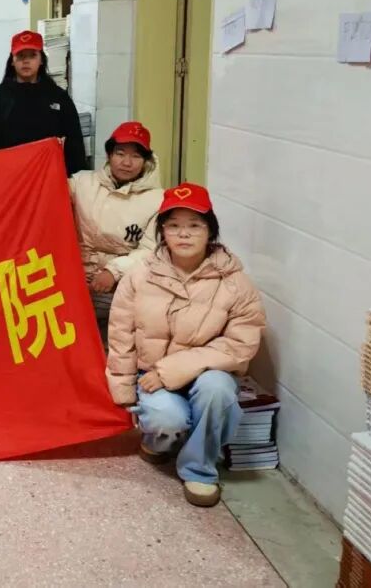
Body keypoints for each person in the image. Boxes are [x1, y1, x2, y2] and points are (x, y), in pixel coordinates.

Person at [107, 183, 265, 508]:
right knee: (166, 420)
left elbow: (240, 343)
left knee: (218, 390)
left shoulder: (234, 281)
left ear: (210, 231)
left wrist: (173, 370)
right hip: (149, 374)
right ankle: (159, 440)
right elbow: (121, 333)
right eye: (174, 225)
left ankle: (199, 469)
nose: (184, 234)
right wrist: (123, 389)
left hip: (207, 373)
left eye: (195, 225)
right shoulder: (140, 275)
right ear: (162, 232)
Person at [70, 121, 163, 340]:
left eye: (136, 156)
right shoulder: (82, 183)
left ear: (146, 160)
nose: (126, 163)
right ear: (109, 155)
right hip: (73, 279)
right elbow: (44, 189)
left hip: (121, 287)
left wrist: (113, 271)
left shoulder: (158, 200)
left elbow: (150, 250)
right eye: (120, 154)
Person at [0, 30, 87, 175]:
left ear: (41, 60)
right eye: (21, 56)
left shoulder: (59, 98)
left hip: (50, 177)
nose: (26, 61)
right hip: (10, 177)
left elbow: (75, 145)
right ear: (12, 61)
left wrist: (75, 178)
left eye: (32, 55)